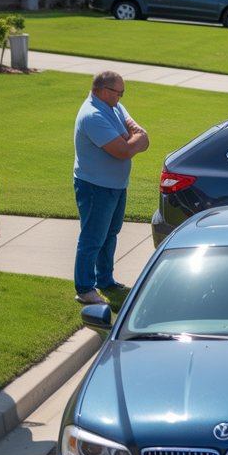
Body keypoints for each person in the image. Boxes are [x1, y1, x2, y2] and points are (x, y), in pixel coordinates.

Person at [73, 71, 149, 305]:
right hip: (96, 187)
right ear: (105, 91)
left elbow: (142, 137)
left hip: (115, 184)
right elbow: (124, 150)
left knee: (110, 235)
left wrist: (131, 138)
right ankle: (85, 288)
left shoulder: (115, 107)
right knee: (93, 238)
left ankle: (104, 280)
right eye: (120, 92)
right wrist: (130, 139)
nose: (122, 96)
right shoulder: (93, 115)